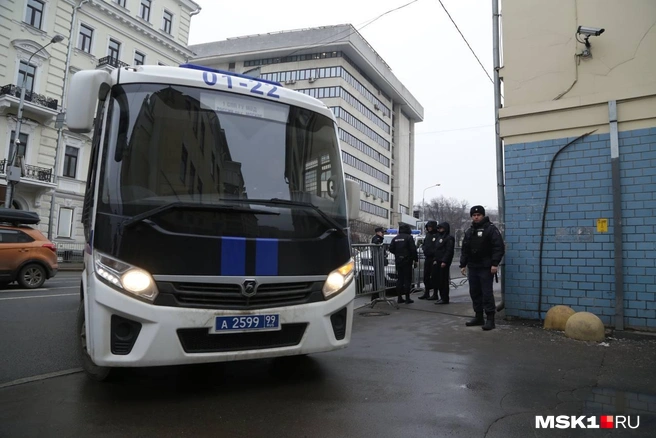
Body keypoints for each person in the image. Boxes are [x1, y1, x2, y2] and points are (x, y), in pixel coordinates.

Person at [459, 206, 505, 330]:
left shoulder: (490, 229)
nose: (476, 217)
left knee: (486, 293)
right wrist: (463, 264)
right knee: (474, 292)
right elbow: (465, 249)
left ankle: (490, 319)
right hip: (473, 267)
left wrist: (495, 264)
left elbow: (498, 247)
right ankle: (478, 316)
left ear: (483, 215)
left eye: (479, 215)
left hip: (486, 267)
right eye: (474, 215)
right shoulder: (469, 231)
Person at [389, 223, 418, 304]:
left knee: (400, 279)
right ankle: (407, 298)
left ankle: (399, 297)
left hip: (398, 261)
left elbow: (391, 248)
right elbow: (413, 249)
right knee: (407, 279)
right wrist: (415, 260)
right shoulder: (409, 237)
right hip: (407, 260)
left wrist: (398, 254)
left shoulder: (395, 238)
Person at [433, 222, 455, 305]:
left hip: (443, 262)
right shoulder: (439, 237)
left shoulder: (449, 238)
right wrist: (435, 259)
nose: (440, 230)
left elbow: (449, 251)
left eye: (441, 228)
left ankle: (445, 298)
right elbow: (436, 249)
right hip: (438, 261)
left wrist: (445, 261)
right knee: (439, 280)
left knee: (443, 280)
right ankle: (441, 296)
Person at [418, 220, 439, 300]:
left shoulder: (437, 235)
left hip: (434, 258)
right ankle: (426, 292)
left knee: (434, 277)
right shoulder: (428, 235)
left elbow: (437, 246)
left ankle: (435, 293)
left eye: (430, 227)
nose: (429, 228)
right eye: (428, 227)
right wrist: (424, 248)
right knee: (426, 276)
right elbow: (424, 244)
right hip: (427, 258)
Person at [369, 227, 385, 302]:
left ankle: (376, 295)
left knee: (378, 278)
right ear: (378, 232)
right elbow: (376, 245)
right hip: (377, 261)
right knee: (376, 279)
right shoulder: (377, 239)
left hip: (378, 261)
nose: (383, 234)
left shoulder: (379, 238)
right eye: (382, 232)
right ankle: (375, 296)